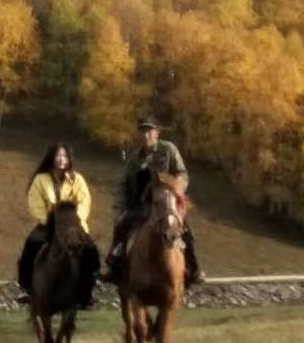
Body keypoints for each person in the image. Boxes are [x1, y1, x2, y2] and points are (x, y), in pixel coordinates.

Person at [101, 117, 204, 287]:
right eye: (142, 131)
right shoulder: (134, 158)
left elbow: (182, 173)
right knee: (121, 227)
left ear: (157, 133)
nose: (146, 135)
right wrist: (120, 209)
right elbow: (124, 184)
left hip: (166, 202)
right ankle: (114, 264)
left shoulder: (168, 149)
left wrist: (176, 190)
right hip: (141, 205)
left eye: (149, 131)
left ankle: (193, 269)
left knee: (187, 229)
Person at [16, 144, 101, 308]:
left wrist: (76, 221)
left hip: (73, 226)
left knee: (91, 251)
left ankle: (87, 292)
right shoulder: (40, 180)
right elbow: (35, 203)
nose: (62, 159)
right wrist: (46, 220)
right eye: (58, 156)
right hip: (48, 224)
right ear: (52, 158)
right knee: (31, 245)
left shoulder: (77, 179)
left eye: (65, 156)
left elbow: (84, 202)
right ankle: (26, 287)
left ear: (69, 159)